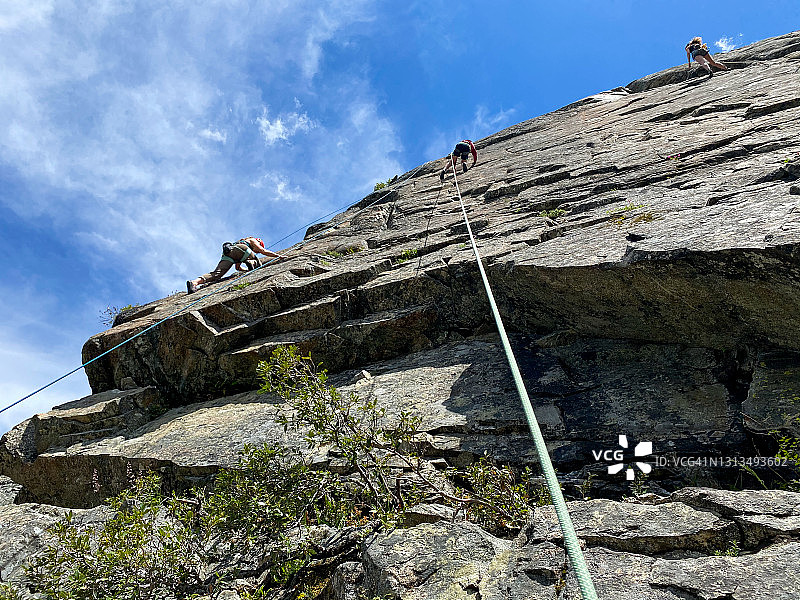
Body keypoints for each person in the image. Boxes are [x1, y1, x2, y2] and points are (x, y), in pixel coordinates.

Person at [187, 236, 286, 294]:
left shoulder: (239, 249)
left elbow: (237, 267)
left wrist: (246, 271)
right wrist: (278, 256)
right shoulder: (253, 240)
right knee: (255, 260)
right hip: (241, 250)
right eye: (258, 247)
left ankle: (194, 283)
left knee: (216, 275)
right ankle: (254, 266)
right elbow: (263, 251)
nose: (258, 250)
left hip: (229, 254)